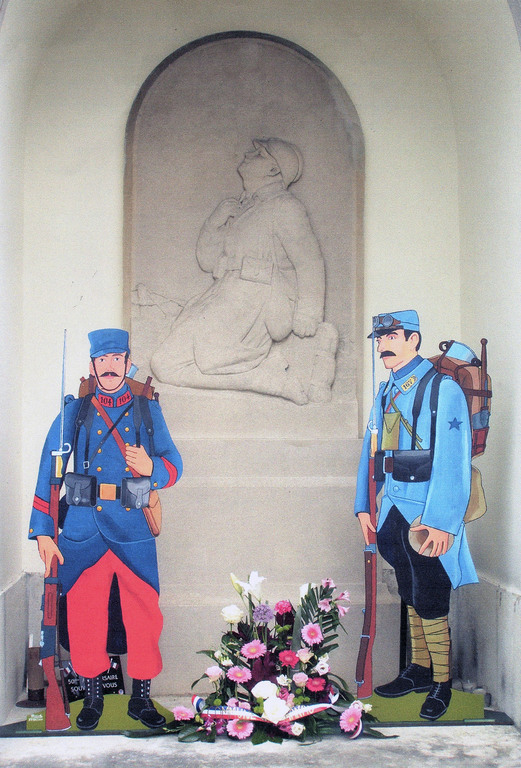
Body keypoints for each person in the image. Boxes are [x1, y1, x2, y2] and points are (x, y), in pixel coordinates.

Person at [29, 328, 183, 730]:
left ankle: (141, 699)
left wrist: (152, 468)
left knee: (144, 616)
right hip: (83, 529)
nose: (110, 366)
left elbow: (174, 463)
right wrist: (44, 531)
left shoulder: (146, 410)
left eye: (117, 359)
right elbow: (49, 470)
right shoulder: (75, 412)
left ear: (128, 362)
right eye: (102, 360)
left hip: (132, 528)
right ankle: (93, 698)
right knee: (85, 616)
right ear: (92, 365)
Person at [354, 310, 478, 721]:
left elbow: (453, 460)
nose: (383, 346)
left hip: (426, 510)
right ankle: (420, 670)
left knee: (431, 590)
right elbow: (371, 450)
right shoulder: (387, 390)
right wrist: (364, 505)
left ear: (414, 340)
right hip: (392, 506)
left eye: (392, 337)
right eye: (379, 339)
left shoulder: (443, 390)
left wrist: (442, 521)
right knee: (408, 585)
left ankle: (442, 681)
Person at [151, 138, 337, 404]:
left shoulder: (285, 207)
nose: (249, 154)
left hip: (255, 303)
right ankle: (259, 377)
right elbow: (208, 261)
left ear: (274, 170)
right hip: (223, 294)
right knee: (163, 364)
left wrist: (308, 313)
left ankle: (265, 378)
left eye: (259, 153)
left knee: (182, 362)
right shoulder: (243, 207)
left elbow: (309, 261)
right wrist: (215, 221)